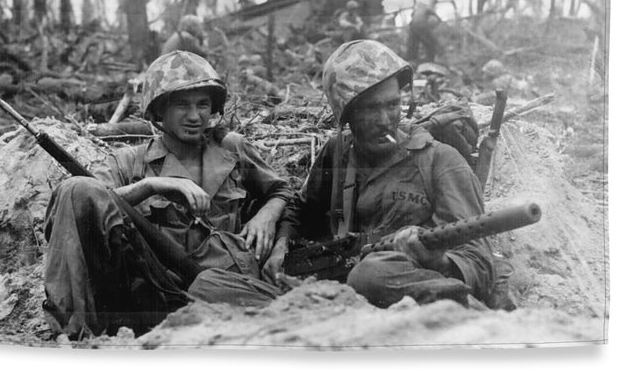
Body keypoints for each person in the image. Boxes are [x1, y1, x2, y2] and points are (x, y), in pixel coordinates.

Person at [192, 40, 495, 309]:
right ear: (347, 114)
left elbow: (480, 261)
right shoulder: (338, 152)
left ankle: (460, 313)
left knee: (371, 274)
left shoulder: (441, 161)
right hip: (330, 290)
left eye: (393, 105)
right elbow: (300, 208)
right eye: (370, 109)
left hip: (395, 287)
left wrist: (438, 260)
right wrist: (281, 245)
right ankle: (315, 319)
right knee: (209, 284)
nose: (385, 120)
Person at [42, 51, 291, 339]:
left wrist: (267, 215)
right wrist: (152, 186)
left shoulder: (232, 149)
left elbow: (283, 190)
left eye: (203, 104)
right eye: (182, 105)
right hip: (152, 296)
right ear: (159, 110)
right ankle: (72, 334)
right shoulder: (129, 162)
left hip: (223, 289)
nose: (195, 115)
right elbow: (79, 200)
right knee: (76, 186)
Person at [407, 0, 442, 64]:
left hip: (413, 23)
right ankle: (430, 63)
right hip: (421, 23)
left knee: (413, 45)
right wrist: (438, 18)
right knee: (431, 44)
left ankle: (411, 63)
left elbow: (413, 13)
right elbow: (429, 9)